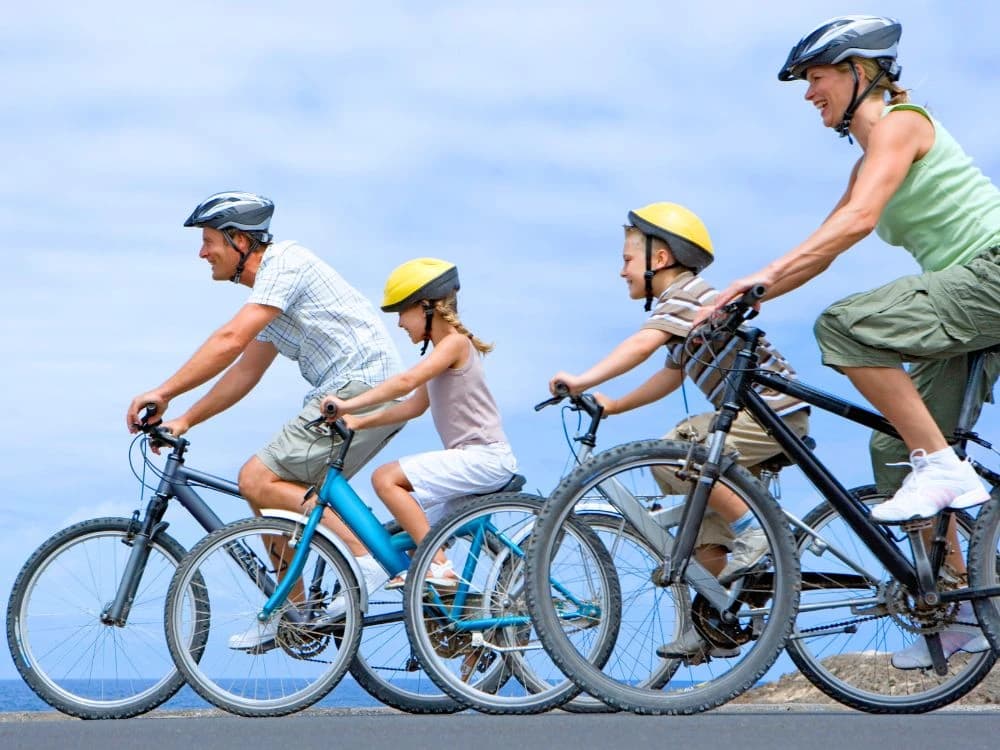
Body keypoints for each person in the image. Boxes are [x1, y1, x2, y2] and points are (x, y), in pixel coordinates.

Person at [703, 15, 998, 668]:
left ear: (860, 71)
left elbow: (861, 221)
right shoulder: (869, 160)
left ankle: (945, 469)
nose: (810, 93)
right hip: (973, 292)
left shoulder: (902, 124)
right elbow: (824, 244)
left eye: (817, 77)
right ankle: (958, 613)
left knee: (844, 325)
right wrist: (747, 295)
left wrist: (763, 279)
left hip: (993, 270)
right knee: (894, 446)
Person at [125, 191, 406, 649]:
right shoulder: (271, 296)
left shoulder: (285, 264)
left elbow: (231, 338)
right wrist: (186, 419)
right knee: (271, 495)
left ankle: (366, 562)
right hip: (361, 393)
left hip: (358, 389)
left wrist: (164, 391)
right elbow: (246, 371)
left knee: (257, 477)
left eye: (208, 240)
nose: (201, 253)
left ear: (239, 241)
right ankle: (294, 614)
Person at [548, 201, 810, 663]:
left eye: (627, 260)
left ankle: (756, 534)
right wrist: (615, 405)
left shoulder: (689, 297)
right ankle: (708, 623)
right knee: (705, 524)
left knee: (679, 450)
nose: (621, 271)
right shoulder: (685, 311)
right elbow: (670, 375)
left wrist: (585, 379)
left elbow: (641, 344)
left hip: (770, 416)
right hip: (752, 418)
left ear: (661, 259)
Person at [322, 257, 518, 589]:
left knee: (385, 479)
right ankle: (447, 618)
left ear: (427, 307)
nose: (399, 323)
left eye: (402, 311)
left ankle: (440, 566)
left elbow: (406, 382)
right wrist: (357, 421)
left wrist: (346, 404)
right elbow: (412, 407)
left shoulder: (454, 344)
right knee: (412, 542)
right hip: (473, 460)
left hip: (484, 458)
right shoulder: (444, 353)